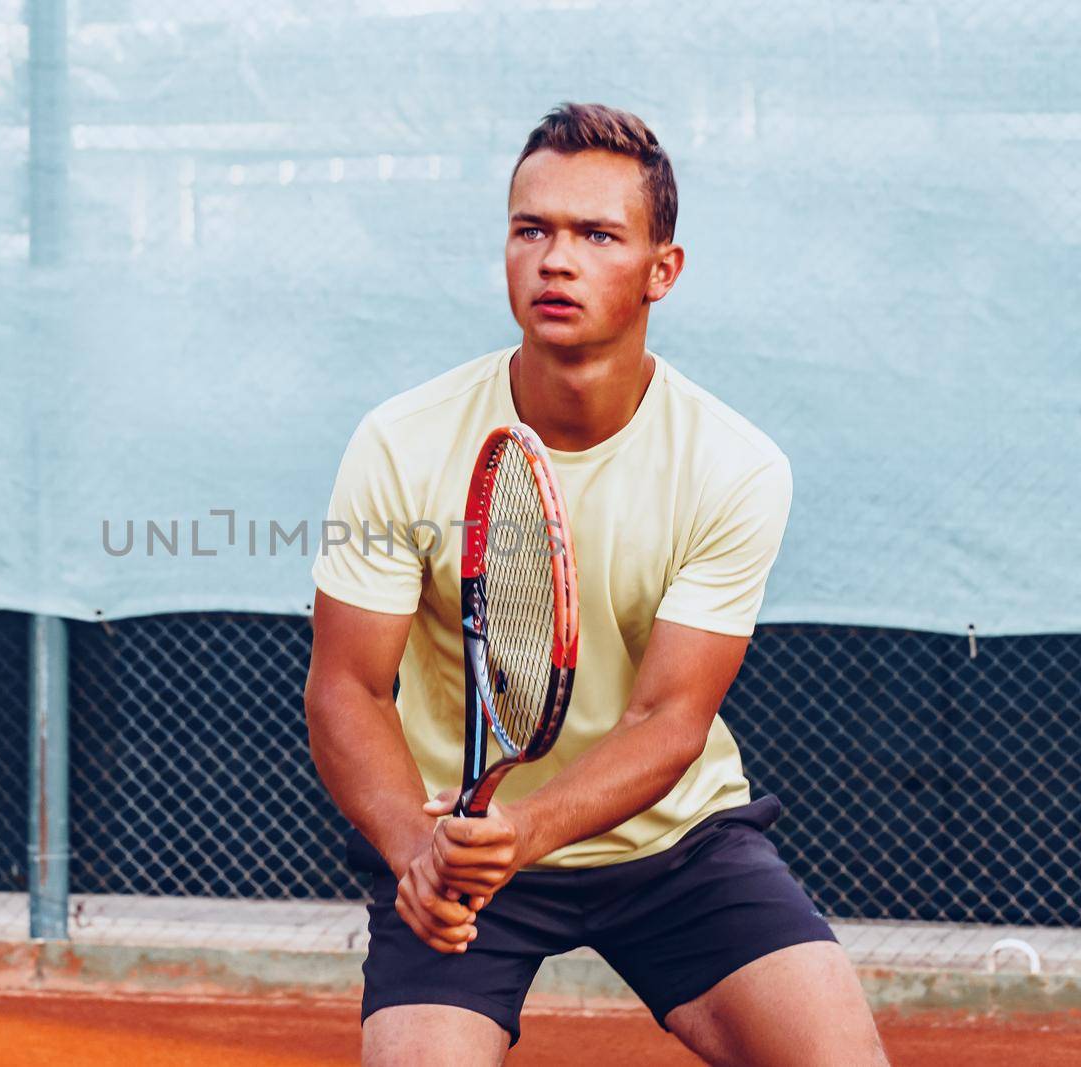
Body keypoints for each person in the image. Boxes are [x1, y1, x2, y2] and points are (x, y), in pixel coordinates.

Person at [303, 103, 889, 1066]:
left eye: (596, 235)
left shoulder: (733, 465)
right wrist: (419, 847)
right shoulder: (401, 441)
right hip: (459, 851)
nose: (554, 259)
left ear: (664, 269)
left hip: (676, 843)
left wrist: (523, 828)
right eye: (530, 229)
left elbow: (668, 720)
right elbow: (348, 687)